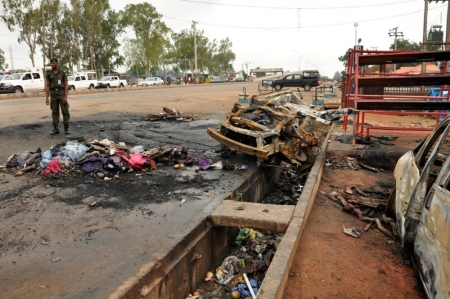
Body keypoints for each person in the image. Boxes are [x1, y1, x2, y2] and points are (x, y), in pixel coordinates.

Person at [45, 57, 70, 135]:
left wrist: (65, 97)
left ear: (57, 63)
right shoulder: (49, 74)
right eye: (51, 63)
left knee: (65, 110)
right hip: (53, 94)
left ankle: (66, 129)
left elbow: (66, 85)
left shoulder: (62, 73)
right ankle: (56, 129)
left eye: (53, 63)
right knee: (54, 111)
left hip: (61, 92)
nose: (52, 65)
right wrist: (47, 98)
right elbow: (48, 86)